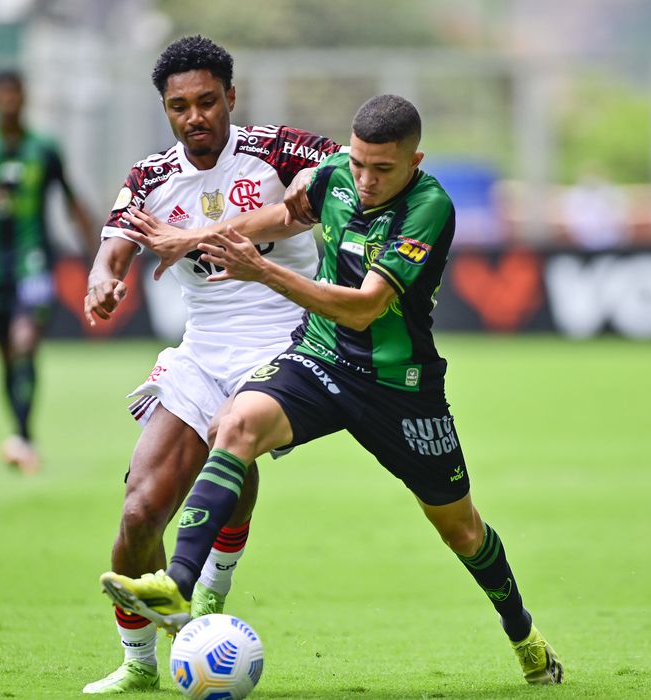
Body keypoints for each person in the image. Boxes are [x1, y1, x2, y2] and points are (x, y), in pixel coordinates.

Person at [103, 94, 565, 685]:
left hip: (399, 389)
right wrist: (194, 237)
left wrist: (265, 270)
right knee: (234, 426)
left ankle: (522, 630)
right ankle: (178, 586)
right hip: (319, 359)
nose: (366, 181)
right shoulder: (334, 176)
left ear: (415, 161)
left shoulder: (429, 208)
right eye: (359, 163)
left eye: (383, 169)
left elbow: (367, 307)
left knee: (461, 530)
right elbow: (281, 217)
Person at [81, 36, 341, 694]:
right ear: (165, 110)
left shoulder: (276, 147)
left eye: (205, 101)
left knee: (233, 438)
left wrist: (297, 195)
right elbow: (113, 248)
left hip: (286, 337)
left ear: (230, 96)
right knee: (140, 513)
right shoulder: (148, 177)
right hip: (203, 348)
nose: (194, 116)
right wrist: (102, 284)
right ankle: (140, 664)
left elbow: (334, 175)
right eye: (179, 107)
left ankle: (209, 594)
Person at [0, 69, 96, 474]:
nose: (9, 103)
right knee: (7, 355)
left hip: (35, 263)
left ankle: (23, 439)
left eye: (16, 96)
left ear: (24, 99)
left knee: (25, 341)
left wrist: (98, 249)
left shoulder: (44, 147)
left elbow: (70, 199)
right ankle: (22, 433)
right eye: (3, 96)